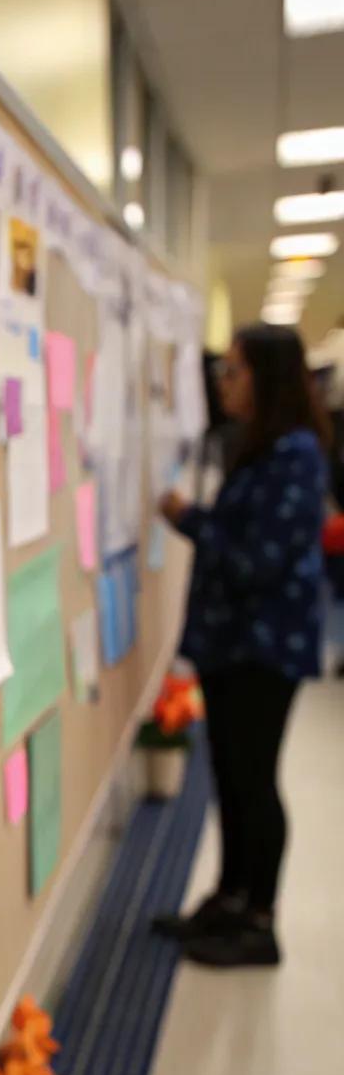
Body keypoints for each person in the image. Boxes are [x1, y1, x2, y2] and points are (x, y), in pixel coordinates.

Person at [152, 324, 329, 967]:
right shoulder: (261, 448)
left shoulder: (297, 456)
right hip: (232, 646)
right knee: (229, 773)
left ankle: (261, 920)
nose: (223, 383)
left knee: (254, 780)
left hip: (264, 650)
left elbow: (256, 560)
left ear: (268, 379)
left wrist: (189, 520)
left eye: (234, 371)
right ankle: (229, 897)